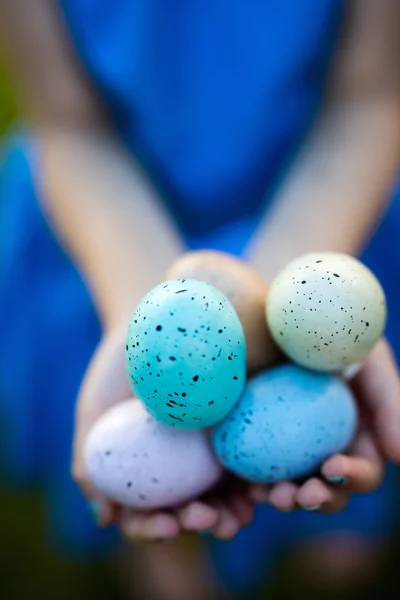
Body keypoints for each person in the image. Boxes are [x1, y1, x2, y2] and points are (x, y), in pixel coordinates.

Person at [0, 0, 400, 598]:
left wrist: (279, 304)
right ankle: (175, 544)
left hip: (318, 212)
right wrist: (146, 311)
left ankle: (311, 521)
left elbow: (368, 95)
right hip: (116, 228)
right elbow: (67, 124)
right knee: (158, 470)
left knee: (326, 508)